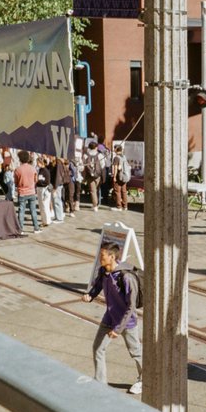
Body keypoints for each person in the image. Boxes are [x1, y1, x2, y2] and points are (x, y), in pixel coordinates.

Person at [81, 243, 143, 394]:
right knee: (98, 348)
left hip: (126, 322)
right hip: (109, 317)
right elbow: (97, 286)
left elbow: (131, 306)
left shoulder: (126, 277)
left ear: (112, 257)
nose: (99, 258)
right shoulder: (104, 271)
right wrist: (91, 295)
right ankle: (100, 383)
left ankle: (143, 379)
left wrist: (118, 329)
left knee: (135, 352)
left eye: (102, 256)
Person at [14, 150, 41, 234]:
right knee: (33, 210)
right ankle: (36, 228)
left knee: (21, 210)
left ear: (20, 159)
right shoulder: (33, 169)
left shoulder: (18, 170)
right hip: (31, 191)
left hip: (22, 192)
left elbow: (16, 182)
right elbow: (36, 180)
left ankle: (20, 229)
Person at [83, 141, 103, 211]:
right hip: (98, 175)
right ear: (96, 147)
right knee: (97, 189)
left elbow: (83, 166)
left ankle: (95, 205)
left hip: (89, 175)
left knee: (93, 191)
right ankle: (97, 203)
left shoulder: (85, 155)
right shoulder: (100, 155)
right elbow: (103, 165)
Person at [111, 145, 131, 211]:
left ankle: (118, 206)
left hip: (119, 176)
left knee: (117, 191)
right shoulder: (124, 156)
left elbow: (116, 168)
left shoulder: (116, 158)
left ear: (116, 149)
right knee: (124, 191)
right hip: (125, 176)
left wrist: (114, 177)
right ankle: (125, 206)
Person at [36, 156, 53, 226]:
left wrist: (38, 181)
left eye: (38, 162)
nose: (37, 164)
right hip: (40, 189)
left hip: (44, 189)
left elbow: (47, 182)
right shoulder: (40, 170)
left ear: (41, 162)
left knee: (44, 205)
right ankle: (45, 220)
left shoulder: (45, 171)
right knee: (42, 205)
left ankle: (46, 221)